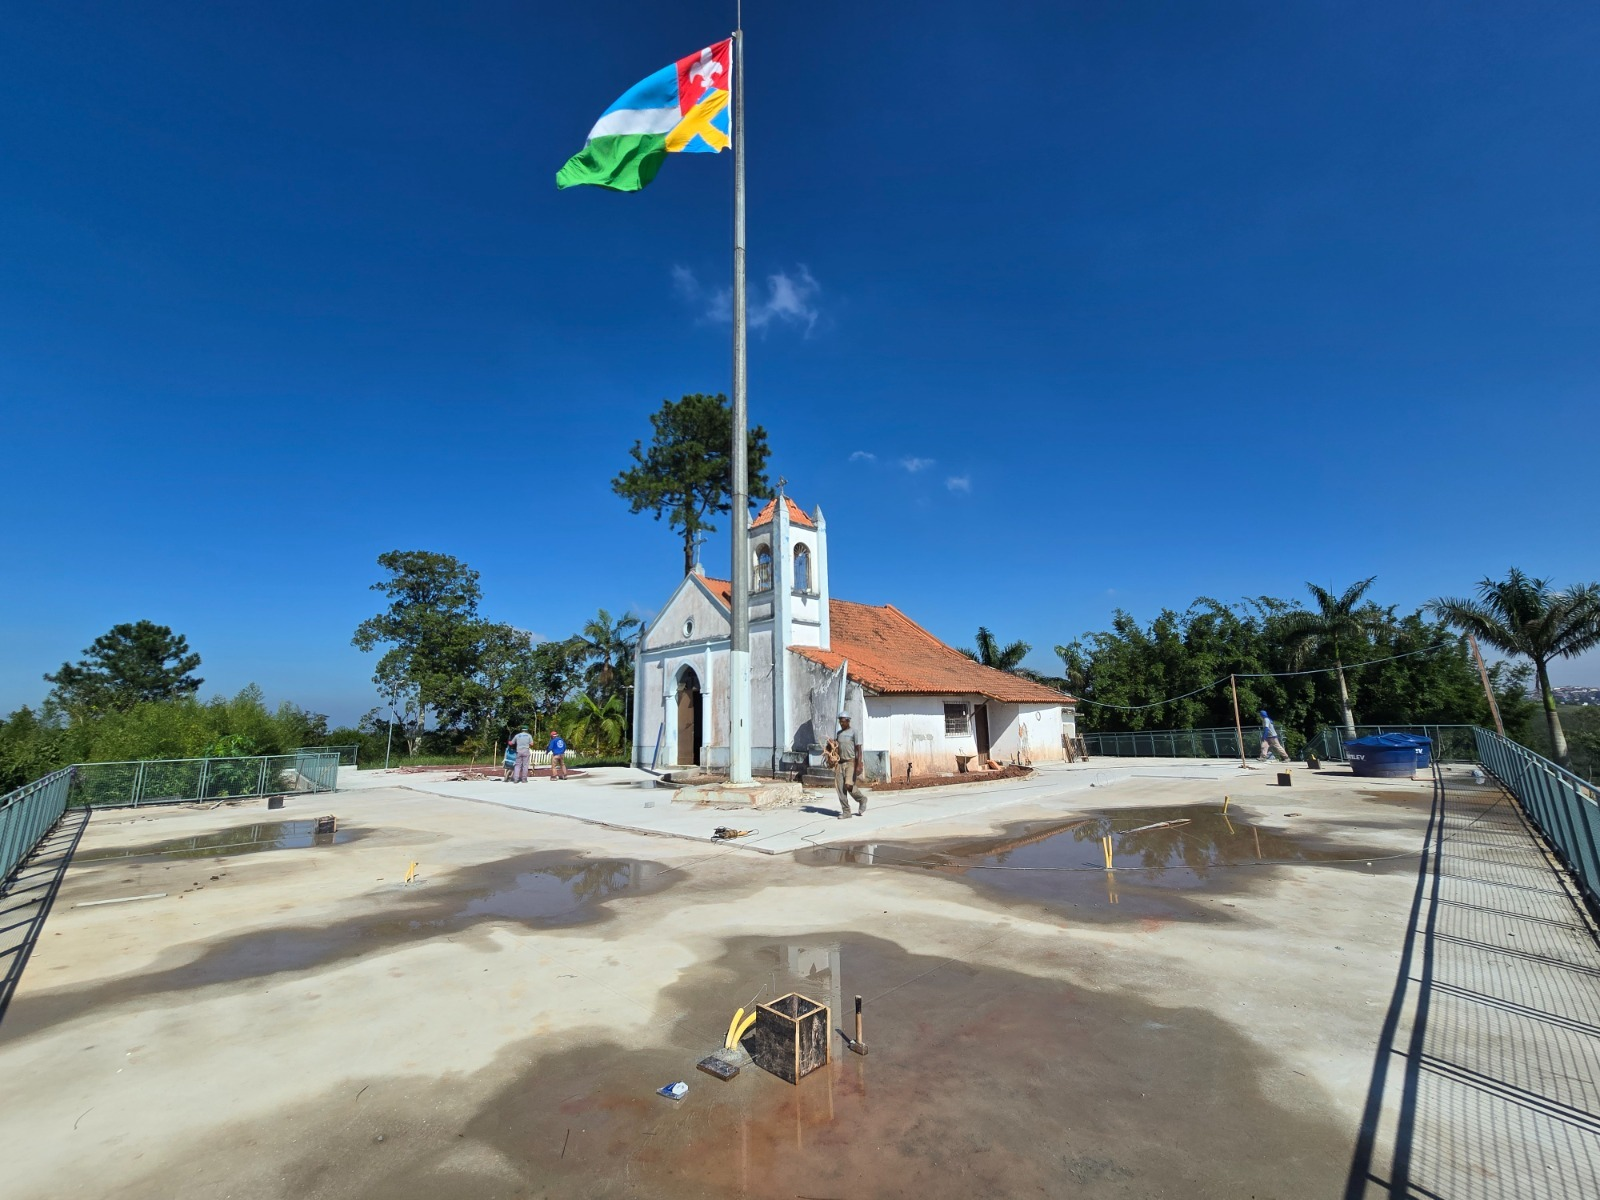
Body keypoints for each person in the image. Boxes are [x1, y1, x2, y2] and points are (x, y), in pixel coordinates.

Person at [831, 713, 866, 819]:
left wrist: (859, 764)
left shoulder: (854, 732)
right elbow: (836, 747)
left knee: (848, 785)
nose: (841, 723)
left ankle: (861, 799)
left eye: (843, 721)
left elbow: (858, 749)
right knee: (840, 788)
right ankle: (846, 812)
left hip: (851, 762)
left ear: (848, 721)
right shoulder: (839, 733)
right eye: (840, 721)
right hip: (840, 763)